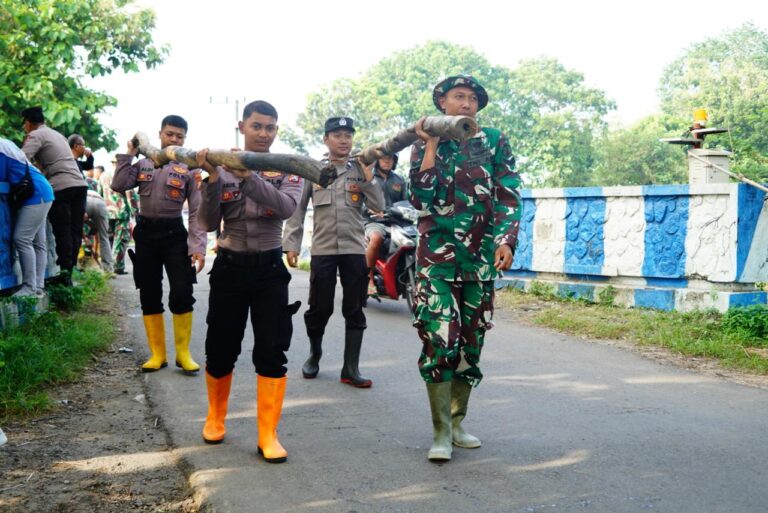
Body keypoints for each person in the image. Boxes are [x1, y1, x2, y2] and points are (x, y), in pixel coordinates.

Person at [409, 75, 522, 461]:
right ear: (442, 101)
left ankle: (457, 423)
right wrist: (430, 144)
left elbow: (508, 191)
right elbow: (419, 196)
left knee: (471, 344)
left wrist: (506, 239)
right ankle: (440, 432)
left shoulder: (491, 139)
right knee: (441, 339)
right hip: (436, 260)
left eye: (473, 98)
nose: (466, 104)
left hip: (480, 259)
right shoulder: (425, 136)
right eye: (459, 97)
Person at [195, 100, 303, 463]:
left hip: (270, 271)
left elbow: (286, 209)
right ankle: (215, 418)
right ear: (242, 126)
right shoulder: (221, 168)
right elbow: (209, 222)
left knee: (272, 350)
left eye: (270, 127)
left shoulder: (288, 168)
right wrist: (213, 179)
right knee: (221, 345)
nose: (264, 133)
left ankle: (267, 435)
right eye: (257, 126)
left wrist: (248, 176)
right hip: (229, 267)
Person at [283, 117, 384, 387]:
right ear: (326, 139)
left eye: (348, 135)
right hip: (323, 249)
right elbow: (297, 209)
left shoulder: (360, 170)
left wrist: (369, 176)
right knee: (319, 308)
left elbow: (378, 206)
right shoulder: (314, 170)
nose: (344, 140)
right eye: (337, 135)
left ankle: (351, 368)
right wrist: (291, 242)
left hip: (353, 249)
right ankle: (314, 355)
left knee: (355, 308)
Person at [111, 115, 206, 374]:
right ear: (161, 134)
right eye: (170, 134)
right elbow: (118, 184)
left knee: (181, 291)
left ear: (185, 139)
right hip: (146, 235)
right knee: (149, 292)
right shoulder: (143, 163)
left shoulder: (190, 169)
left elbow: (197, 211)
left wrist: (197, 246)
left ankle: (183, 354)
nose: (174, 139)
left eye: (179, 136)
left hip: (175, 234)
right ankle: (158, 355)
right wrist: (128, 153)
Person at [21, 106, 88, 286]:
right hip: (80, 185)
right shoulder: (57, 134)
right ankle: (68, 273)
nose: (24, 128)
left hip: (61, 187)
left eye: (24, 124)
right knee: (75, 230)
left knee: (63, 230)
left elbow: (21, 159)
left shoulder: (36, 135)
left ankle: (64, 276)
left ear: (28, 123)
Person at [1, 137, 54, 296]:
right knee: (38, 243)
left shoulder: (1, 150)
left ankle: (29, 287)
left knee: (22, 239)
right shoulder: (6, 144)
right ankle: (37, 286)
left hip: (36, 195)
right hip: (42, 191)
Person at [363, 153, 408, 295]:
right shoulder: (368, 177)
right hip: (374, 221)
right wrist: (370, 209)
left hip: (396, 222)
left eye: (391, 158)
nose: (387, 160)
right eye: (384, 157)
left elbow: (407, 202)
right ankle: (368, 279)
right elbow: (360, 200)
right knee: (376, 238)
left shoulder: (399, 180)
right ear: (377, 160)